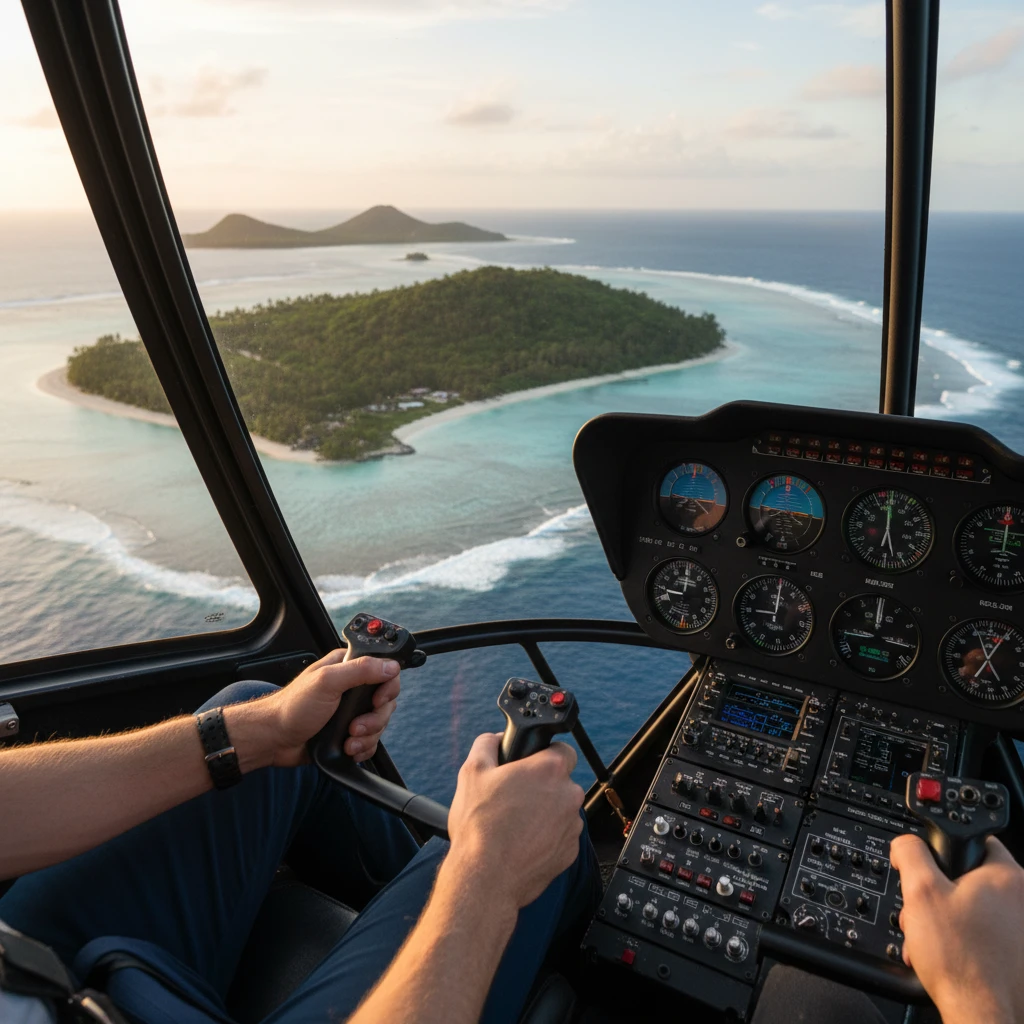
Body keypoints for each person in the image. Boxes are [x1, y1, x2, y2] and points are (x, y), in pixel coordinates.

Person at [2, 651, 1024, 1024]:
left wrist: (259, 734)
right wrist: (988, 997)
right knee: (545, 849)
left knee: (249, 711)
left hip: (35, 962)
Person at [0, 650, 598, 1024]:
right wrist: (487, 872)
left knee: (254, 710)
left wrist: (266, 730)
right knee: (512, 848)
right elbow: (492, 860)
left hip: (24, 967)